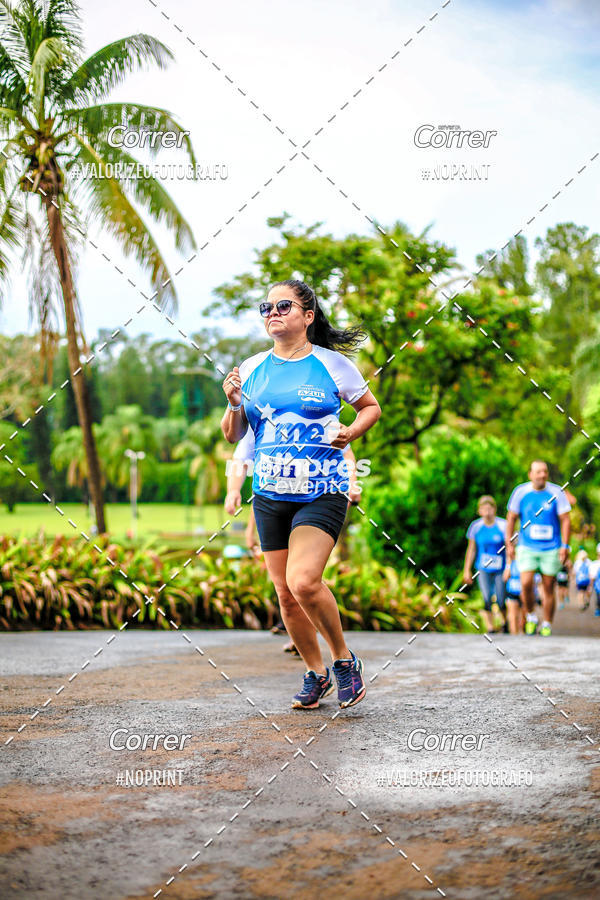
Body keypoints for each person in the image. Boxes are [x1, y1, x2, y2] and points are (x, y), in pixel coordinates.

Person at [221, 278, 381, 709]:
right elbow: (235, 434)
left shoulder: (332, 365)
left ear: (307, 316)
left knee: (304, 581)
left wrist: (350, 431)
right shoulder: (252, 367)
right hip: (271, 493)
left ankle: (344, 662)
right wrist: (234, 402)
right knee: (286, 595)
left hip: (322, 489)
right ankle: (315, 673)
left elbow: (371, 408)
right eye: (266, 307)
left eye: (283, 306)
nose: (272, 312)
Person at [505, 460, 571, 637]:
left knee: (548, 586)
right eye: (538, 472)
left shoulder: (556, 492)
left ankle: (547, 623)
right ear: (530, 474)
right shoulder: (521, 492)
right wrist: (509, 543)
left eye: (545, 471)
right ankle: (531, 617)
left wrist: (565, 546)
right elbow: (511, 518)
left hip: (551, 547)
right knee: (525, 583)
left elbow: (565, 519)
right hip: (527, 546)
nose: (542, 475)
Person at [463, 495, 508, 634]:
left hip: (500, 567)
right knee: (486, 597)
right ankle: (490, 627)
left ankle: (505, 622)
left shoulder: (502, 525)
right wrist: (467, 570)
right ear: (479, 511)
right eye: (484, 509)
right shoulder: (476, 527)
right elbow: (471, 549)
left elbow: (510, 547)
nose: (487, 511)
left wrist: (509, 567)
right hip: (483, 568)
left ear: (494, 509)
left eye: (490, 508)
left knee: (500, 599)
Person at [503, 553, 524, 634]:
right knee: (512, 616)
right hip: (511, 590)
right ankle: (513, 635)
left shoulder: (526, 560)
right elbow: (505, 577)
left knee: (523, 618)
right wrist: (508, 565)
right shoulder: (509, 561)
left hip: (524, 592)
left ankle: (522, 635)